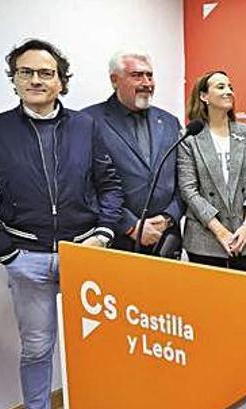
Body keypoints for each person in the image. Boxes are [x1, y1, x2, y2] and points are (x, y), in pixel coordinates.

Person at [0, 39, 123, 409]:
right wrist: (5, 251)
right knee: (36, 348)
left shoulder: (86, 127)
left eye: (45, 73)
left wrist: (103, 234)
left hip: (85, 253)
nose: (35, 80)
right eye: (26, 72)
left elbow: (111, 187)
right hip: (26, 256)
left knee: (97, 344)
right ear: (13, 80)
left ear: (60, 81)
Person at [84, 50, 184, 256]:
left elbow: (183, 178)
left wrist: (168, 217)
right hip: (116, 240)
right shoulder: (88, 121)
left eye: (150, 75)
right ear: (114, 80)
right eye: (137, 76)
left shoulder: (169, 121)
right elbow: (86, 186)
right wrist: (130, 225)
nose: (147, 83)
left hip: (165, 239)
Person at [177, 70, 246, 271]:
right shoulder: (189, 137)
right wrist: (220, 231)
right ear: (204, 96)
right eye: (221, 87)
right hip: (205, 241)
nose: (228, 91)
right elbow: (189, 190)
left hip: (245, 237)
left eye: (230, 87)